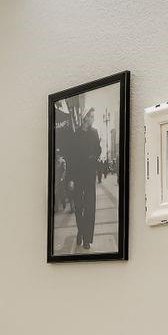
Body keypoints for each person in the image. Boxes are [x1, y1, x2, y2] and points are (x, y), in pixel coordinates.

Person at [65, 106, 101, 250]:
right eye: (91, 116)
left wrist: (95, 156)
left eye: (93, 117)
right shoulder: (76, 135)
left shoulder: (95, 133)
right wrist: (71, 179)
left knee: (90, 207)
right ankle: (80, 230)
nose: (93, 119)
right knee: (79, 207)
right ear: (85, 117)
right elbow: (71, 158)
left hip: (90, 175)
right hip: (78, 176)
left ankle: (87, 239)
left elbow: (98, 149)